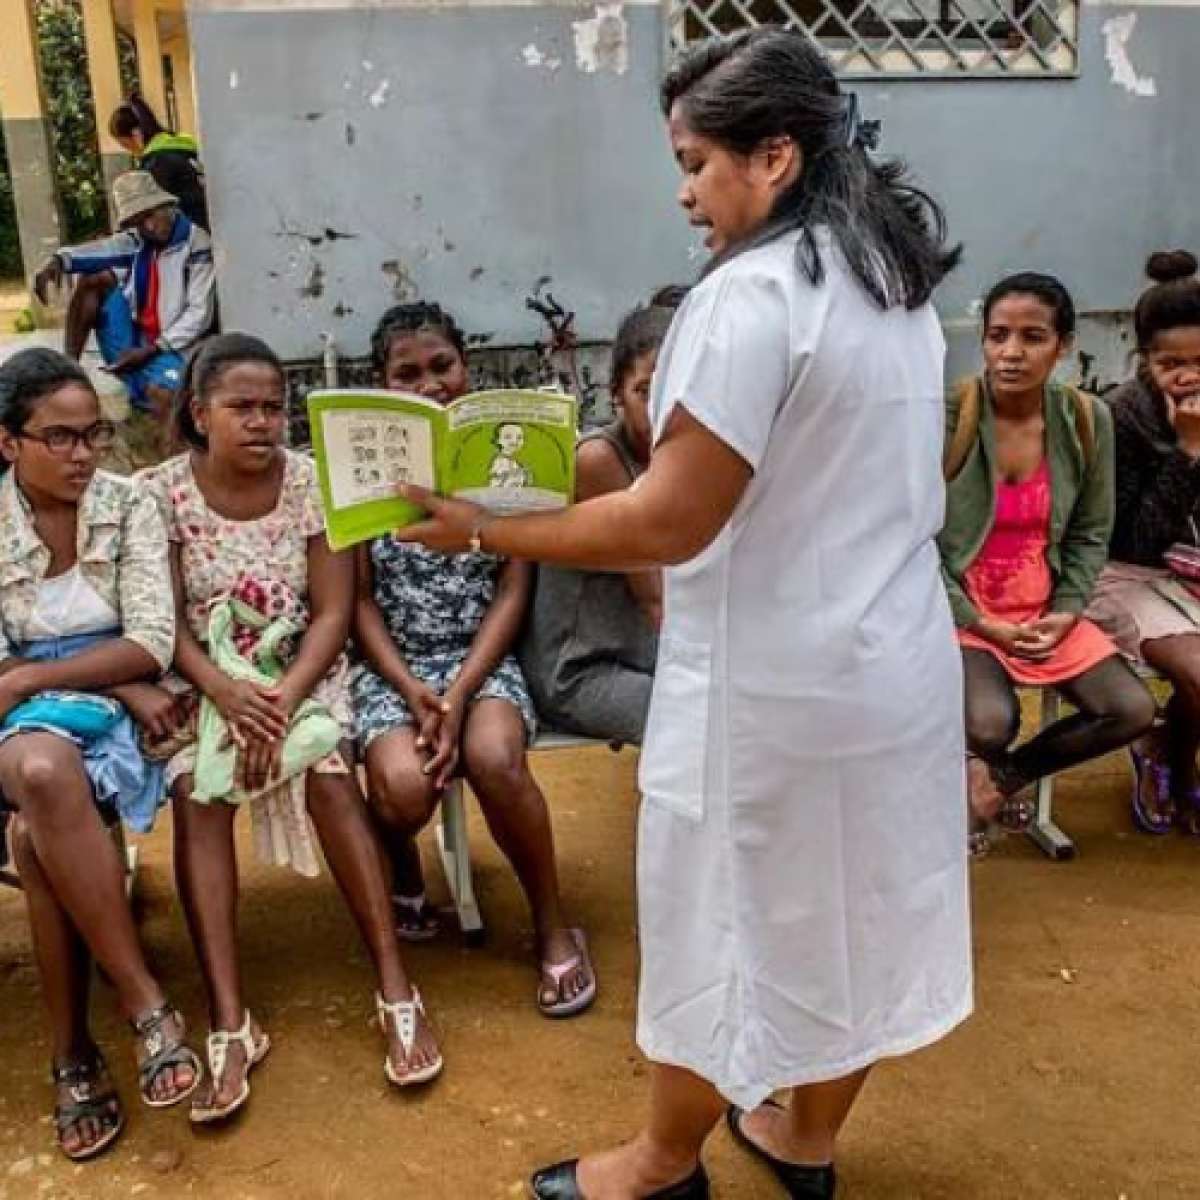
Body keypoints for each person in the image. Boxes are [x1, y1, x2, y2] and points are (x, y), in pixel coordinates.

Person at [395, 29, 972, 1200]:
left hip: (769, 691)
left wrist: (483, 527)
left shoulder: (750, 297)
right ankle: (802, 1140)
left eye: (697, 159)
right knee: (856, 914)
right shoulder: (893, 288)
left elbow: (670, 520)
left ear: (774, 155)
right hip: (891, 665)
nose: (683, 189)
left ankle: (659, 1168)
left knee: (720, 923)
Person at [139, 333, 441, 1124]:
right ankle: (230, 1022)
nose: (262, 422)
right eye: (242, 407)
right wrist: (227, 694)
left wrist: (281, 696)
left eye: (273, 406)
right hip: (207, 681)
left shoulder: (310, 484)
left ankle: (394, 987)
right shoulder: (161, 493)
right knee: (199, 801)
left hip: (301, 676)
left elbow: (334, 612)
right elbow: (163, 621)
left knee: (330, 777)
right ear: (200, 413)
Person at [353, 302, 596, 1016]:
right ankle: (401, 857)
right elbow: (357, 602)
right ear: (382, 383)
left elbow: (513, 586)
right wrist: (411, 688)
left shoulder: (503, 460)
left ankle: (552, 924)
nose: (430, 384)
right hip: (389, 667)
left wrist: (458, 691)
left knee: (494, 757)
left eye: (442, 366)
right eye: (408, 374)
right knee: (403, 785)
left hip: (481, 663)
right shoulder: (363, 470)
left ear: (466, 367)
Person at [0, 348, 199, 1161]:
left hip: (99, 710)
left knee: (29, 835)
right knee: (44, 766)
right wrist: (108, 678)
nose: (83, 454)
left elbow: (151, 639)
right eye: (59, 438)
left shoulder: (130, 504)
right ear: (9, 442)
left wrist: (39, 678)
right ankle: (144, 998)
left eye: (93, 435)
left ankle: (72, 1051)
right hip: (26, 722)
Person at [940, 273, 1155, 853]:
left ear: (1062, 344)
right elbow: (917, 541)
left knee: (1131, 709)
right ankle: (962, 802)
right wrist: (980, 621)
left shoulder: (1086, 419)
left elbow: (1090, 531)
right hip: (963, 610)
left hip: (1042, 607)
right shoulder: (950, 415)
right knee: (990, 722)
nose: (1011, 353)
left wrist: (1065, 610)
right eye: (997, 336)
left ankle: (999, 780)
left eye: (1032, 337)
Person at [520, 304, 671, 745]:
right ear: (616, 395)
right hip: (582, 671)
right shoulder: (598, 459)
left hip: (647, 656)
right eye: (646, 391)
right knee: (702, 718)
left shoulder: (677, 452)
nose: (661, 406)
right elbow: (655, 596)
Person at [1088, 250, 1200, 833]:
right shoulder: (1121, 416)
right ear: (1145, 360)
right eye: (1169, 362)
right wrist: (1188, 451)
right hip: (1126, 574)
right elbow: (1130, 538)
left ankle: (1169, 744)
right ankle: (1176, 770)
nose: (1187, 375)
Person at [32, 170, 216, 463]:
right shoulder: (136, 241)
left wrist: (152, 350)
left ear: (165, 207)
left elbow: (199, 314)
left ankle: (173, 465)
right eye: (138, 221)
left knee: (164, 394)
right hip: (136, 337)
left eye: (151, 215)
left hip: (171, 346)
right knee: (93, 279)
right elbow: (94, 253)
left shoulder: (196, 243)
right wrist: (57, 261)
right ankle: (69, 370)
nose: (149, 226)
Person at [109, 93, 209, 232]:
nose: (130, 151)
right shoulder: (180, 148)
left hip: (194, 235)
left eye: (126, 145)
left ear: (136, 134)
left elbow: (153, 216)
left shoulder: (157, 164)